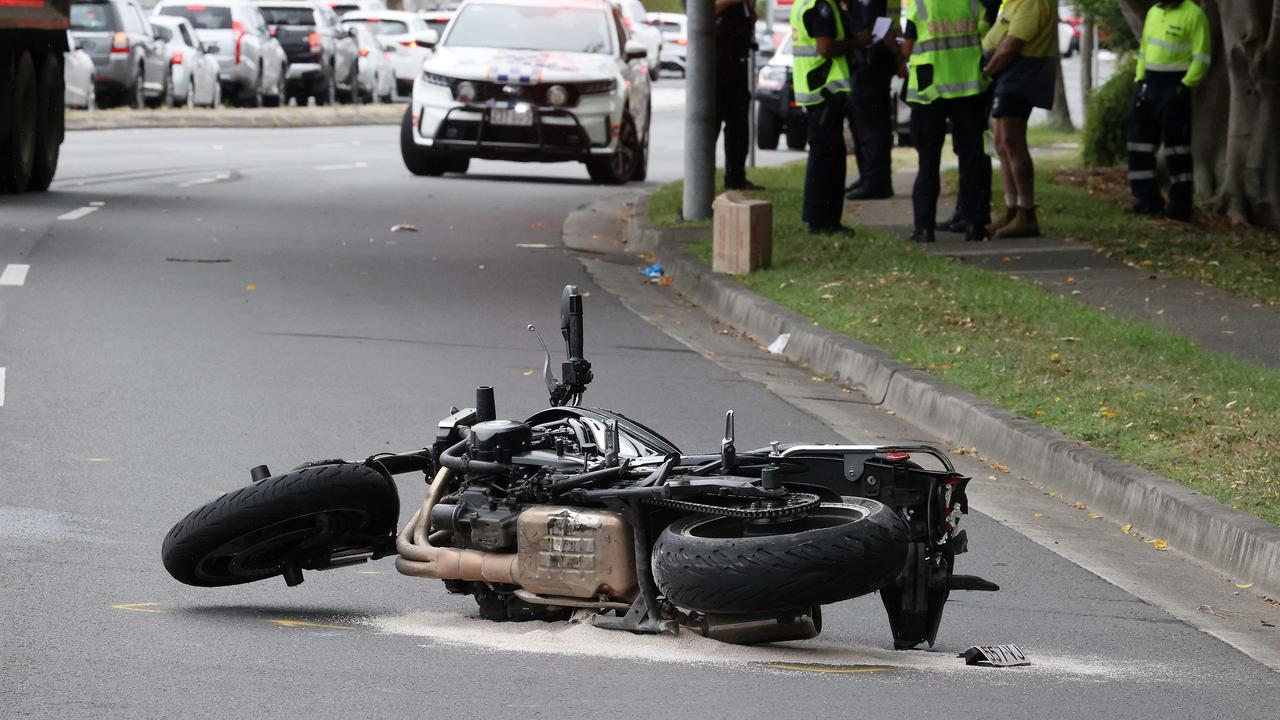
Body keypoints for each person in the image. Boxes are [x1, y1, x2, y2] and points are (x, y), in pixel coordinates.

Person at [900, 0, 992, 243]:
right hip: (968, 89)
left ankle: (924, 229)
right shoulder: (972, 3)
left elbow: (907, 49)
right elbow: (985, 33)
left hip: (930, 91)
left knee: (928, 161)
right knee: (972, 159)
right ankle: (974, 226)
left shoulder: (919, 5)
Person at [790, 0, 870, 234]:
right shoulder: (820, 6)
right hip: (824, 91)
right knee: (827, 162)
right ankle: (823, 222)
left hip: (817, 91)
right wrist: (857, 42)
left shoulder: (803, 4)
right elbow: (825, 47)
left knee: (824, 158)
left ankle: (820, 220)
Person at [1127, 0, 1211, 221]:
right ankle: (1147, 201)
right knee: (1139, 146)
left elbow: (1201, 58)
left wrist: (1183, 87)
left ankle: (1180, 207)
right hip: (1148, 86)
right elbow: (1144, 50)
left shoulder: (1194, 15)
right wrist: (1139, 81)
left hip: (1174, 89)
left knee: (1177, 150)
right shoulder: (1154, 12)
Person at [982, 0, 1057, 239]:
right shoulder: (1013, 1)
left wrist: (985, 72)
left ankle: (1026, 213)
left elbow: (1011, 45)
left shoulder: (1032, 2)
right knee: (1002, 143)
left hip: (1021, 74)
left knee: (1012, 143)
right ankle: (1011, 208)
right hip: (1010, 75)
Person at [843, 0, 896, 201]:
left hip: (870, 64)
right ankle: (869, 177)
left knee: (870, 129)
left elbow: (872, 26)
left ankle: (875, 181)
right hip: (869, 63)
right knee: (863, 126)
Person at [714, 0, 762, 190]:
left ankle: (736, 176)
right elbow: (704, 12)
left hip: (738, 65)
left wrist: (749, 9)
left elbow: (750, 18)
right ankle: (701, 178)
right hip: (715, 70)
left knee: (739, 126)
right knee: (710, 126)